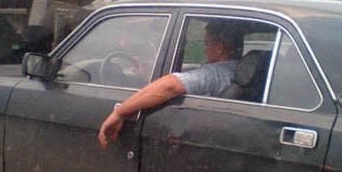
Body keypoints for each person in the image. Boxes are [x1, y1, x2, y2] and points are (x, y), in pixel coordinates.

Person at [98, 19, 243, 147]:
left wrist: (119, 111)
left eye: (206, 44)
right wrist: (148, 73)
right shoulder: (236, 70)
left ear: (220, 48)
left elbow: (170, 86)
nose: (205, 50)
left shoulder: (215, 74)